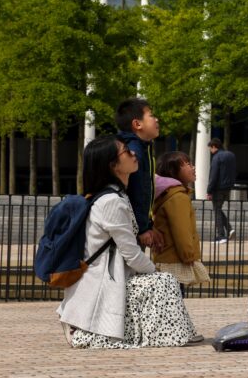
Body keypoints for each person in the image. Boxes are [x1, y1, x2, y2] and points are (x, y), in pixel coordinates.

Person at [57, 136, 200, 348]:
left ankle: (173, 335)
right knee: (164, 280)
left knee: (163, 280)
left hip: (113, 276)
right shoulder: (111, 202)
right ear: (113, 165)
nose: (134, 154)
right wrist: (154, 270)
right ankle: (167, 336)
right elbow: (131, 254)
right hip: (103, 281)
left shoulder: (116, 196)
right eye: (126, 151)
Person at [153, 152, 210, 291]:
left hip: (166, 259)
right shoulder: (178, 197)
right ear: (173, 171)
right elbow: (181, 230)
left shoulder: (168, 194)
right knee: (176, 299)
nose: (193, 167)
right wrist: (188, 255)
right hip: (176, 260)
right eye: (188, 164)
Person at [115, 98, 163, 251]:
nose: (157, 119)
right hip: (132, 230)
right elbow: (138, 191)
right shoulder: (134, 151)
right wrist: (142, 228)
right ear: (137, 124)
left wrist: (147, 225)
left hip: (133, 226)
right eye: (151, 115)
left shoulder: (142, 148)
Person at [207, 138, 237, 244]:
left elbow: (213, 175)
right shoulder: (231, 155)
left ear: (214, 146)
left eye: (210, 148)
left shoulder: (217, 157)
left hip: (218, 188)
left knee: (217, 210)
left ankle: (221, 236)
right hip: (228, 187)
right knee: (218, 209)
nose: (210, 151)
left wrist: (209, 190)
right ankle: (229, 229)